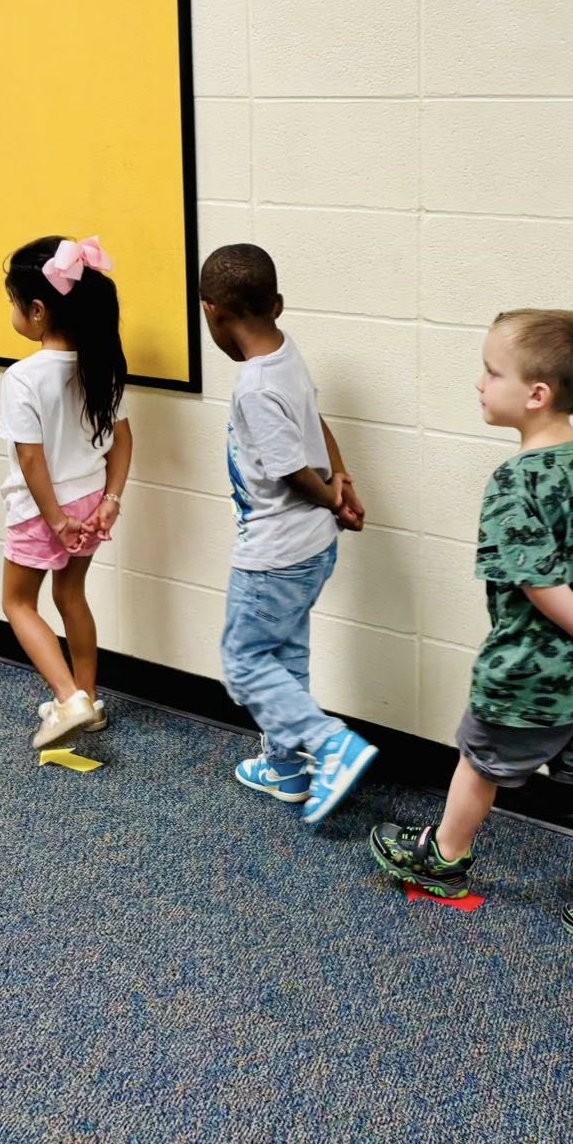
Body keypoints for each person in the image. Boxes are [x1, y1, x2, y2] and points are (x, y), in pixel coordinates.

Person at [370, 309, 573, 954]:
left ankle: (444, 856)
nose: (478, 383)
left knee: (480, 759)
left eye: (490, 371)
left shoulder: (517, 480)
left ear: (537, 394)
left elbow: (535, 580)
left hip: (536, 668)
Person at [199, 243, 374, 828]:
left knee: (245, 664)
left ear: (211, 313)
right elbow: (314, 424)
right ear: (276, 303)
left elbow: (291, 472)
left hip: (273, 553)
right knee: (285, 655)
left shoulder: (253, 387)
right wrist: (343, 482)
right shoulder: (286, 352)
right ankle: (285, 765)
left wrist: (328, 493)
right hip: (311, 549)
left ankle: (330, 745)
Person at [0, 236, 134, 750]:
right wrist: (110, 502)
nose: (11, 311)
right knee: (71, 594)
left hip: (44, 510)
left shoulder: (23, 378)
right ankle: (90, 699)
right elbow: (122, 440)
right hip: (90, 504)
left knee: (17, 602)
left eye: (13, 302)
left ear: (37, 311)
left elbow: (31, 459)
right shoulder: (100, 365)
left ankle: (67, 698)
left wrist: (52, 519)